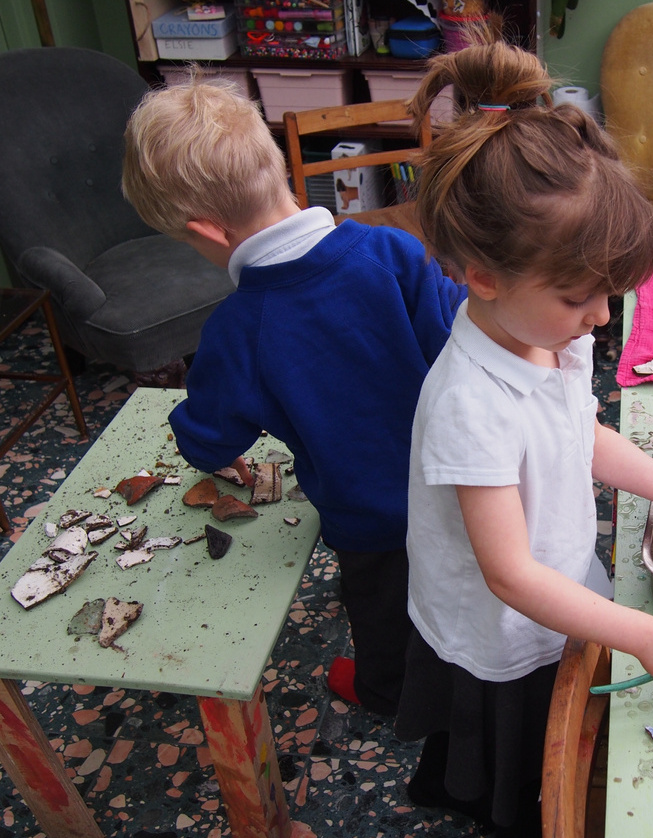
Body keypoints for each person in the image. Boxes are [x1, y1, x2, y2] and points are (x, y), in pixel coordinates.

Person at [396, 40, 653, 838]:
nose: (600, 318)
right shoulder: (468, 406)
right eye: (580, 297)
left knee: (549, 691)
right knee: (508, 733)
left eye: (608, 296)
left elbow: (576, 433)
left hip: (554, 578)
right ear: (483, 275)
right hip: (498, 617)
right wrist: (638, 631)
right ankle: (500, 813)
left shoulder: (549, 334)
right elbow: (509, 574)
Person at [121, 71, 466, 716]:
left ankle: (383, 689)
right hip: (460, 483)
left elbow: (209, 437)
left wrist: (194, 434)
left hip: (367, 517)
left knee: (380, 609)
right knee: (453, 579)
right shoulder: (391, 250)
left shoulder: (237, 329)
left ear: (207, 231)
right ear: (276, 161)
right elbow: (461, 336)